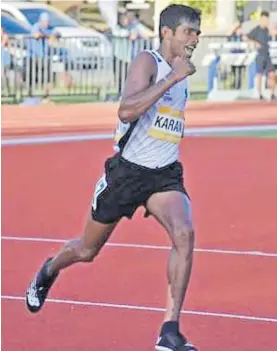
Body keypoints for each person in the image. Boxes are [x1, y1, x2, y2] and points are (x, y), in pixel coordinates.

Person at [26, 4, 201, 351]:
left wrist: (178, 77)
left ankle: (170, 331)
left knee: (185, 232)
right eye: (189, 32)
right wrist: (172, 77)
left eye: (197, 33)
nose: (195, 40)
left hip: (163, 175)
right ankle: (49, 269)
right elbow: (126, 110)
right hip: (127, 173)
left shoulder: (182, 72)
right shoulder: (148, 62)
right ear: (167, 32)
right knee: (86, 249)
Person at [247, 11, 276, 100]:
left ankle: (272, 93)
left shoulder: (267, 30)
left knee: (272, 74)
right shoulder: (256, 30)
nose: (265, 21)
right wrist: (255, 43)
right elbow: (247, 37)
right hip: (260, 55)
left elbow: (273, 34)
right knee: (259, 74)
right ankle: (259, 94)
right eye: (264, 19)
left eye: (267, 19)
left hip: (267, 55)